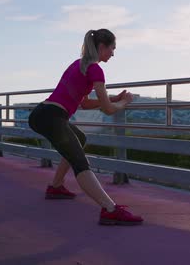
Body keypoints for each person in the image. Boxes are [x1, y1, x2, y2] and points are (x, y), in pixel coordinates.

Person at [28, 29, 143, 226]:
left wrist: (113, 98)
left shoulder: (79, 65)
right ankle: (110, 209)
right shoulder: (96, 69)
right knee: (81, 164)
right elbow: (107, 110)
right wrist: (124, 103)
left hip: (44, 114)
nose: (113, 54)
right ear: (101, 47)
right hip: (52, 117)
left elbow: (85, 103)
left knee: (79, 139)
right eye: (112, 49)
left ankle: (56, 186)